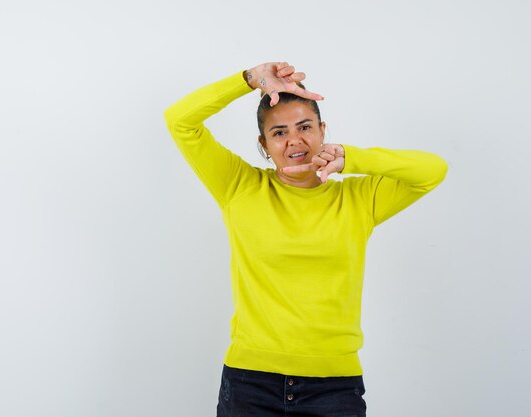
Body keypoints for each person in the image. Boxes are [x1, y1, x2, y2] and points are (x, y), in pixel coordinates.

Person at [164, 62, 447, 417]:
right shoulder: (239, 186)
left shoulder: (359, 199)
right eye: (279, 132)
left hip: (333, 387)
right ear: (264, 144)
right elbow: (180, 121)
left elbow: (432, 170)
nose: (295, 140)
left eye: (304, 127)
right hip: (250, 383)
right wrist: (249, 80)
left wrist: (353, 157)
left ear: (322, 130)